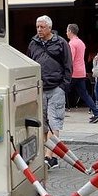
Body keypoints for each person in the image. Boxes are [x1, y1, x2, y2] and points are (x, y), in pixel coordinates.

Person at [27, 15, 72, 167]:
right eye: (37, 27)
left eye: (42, 27)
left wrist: (63, 86)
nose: (39, 29)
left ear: (50, 28)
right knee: (44, 125)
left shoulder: (61, 43)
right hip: (40, 89)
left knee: (54, 123)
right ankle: (51, 157)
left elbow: (68, 65)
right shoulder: (33, 44)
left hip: (56, 89)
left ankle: (48, 157)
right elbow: (29, 64)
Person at [65, 24, 98, 123]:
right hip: (81, 71)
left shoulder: (72, 43)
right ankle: (97, 113)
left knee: (61, 90)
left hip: (73, 73)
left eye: (67, 31)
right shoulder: (81, 42)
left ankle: (57, 113)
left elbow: (70, 59)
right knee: (84, 94)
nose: (66, 33)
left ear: (70, 31)